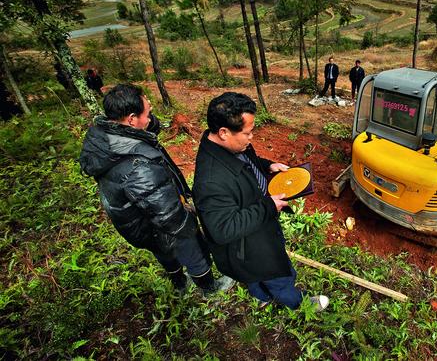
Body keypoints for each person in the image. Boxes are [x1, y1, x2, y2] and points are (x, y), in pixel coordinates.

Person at [79, 84, 234, 295]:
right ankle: (209, 289)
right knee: (188, 245)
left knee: (162, 249)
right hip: (148, 218)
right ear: (132, 119)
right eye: (147, 112)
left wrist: (147, 119)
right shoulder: (139, 166)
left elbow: (147, 134)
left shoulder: (105, 135)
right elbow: (169, 216)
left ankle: (179, 284)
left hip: (130, 217)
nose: (151, 115)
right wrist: (189, 221)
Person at [193, 92, 329, 311]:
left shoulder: (231, 146)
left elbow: (247, 162)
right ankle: (298, 303)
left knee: (254, 277)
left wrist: (267, 166)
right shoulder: (210, 181)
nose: (251, 137)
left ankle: (261, 296)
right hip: (248, 246)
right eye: (248, 133)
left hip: (254, 233)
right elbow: (222, 229)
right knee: (277, 273)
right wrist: (268, 206)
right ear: (224, 132)